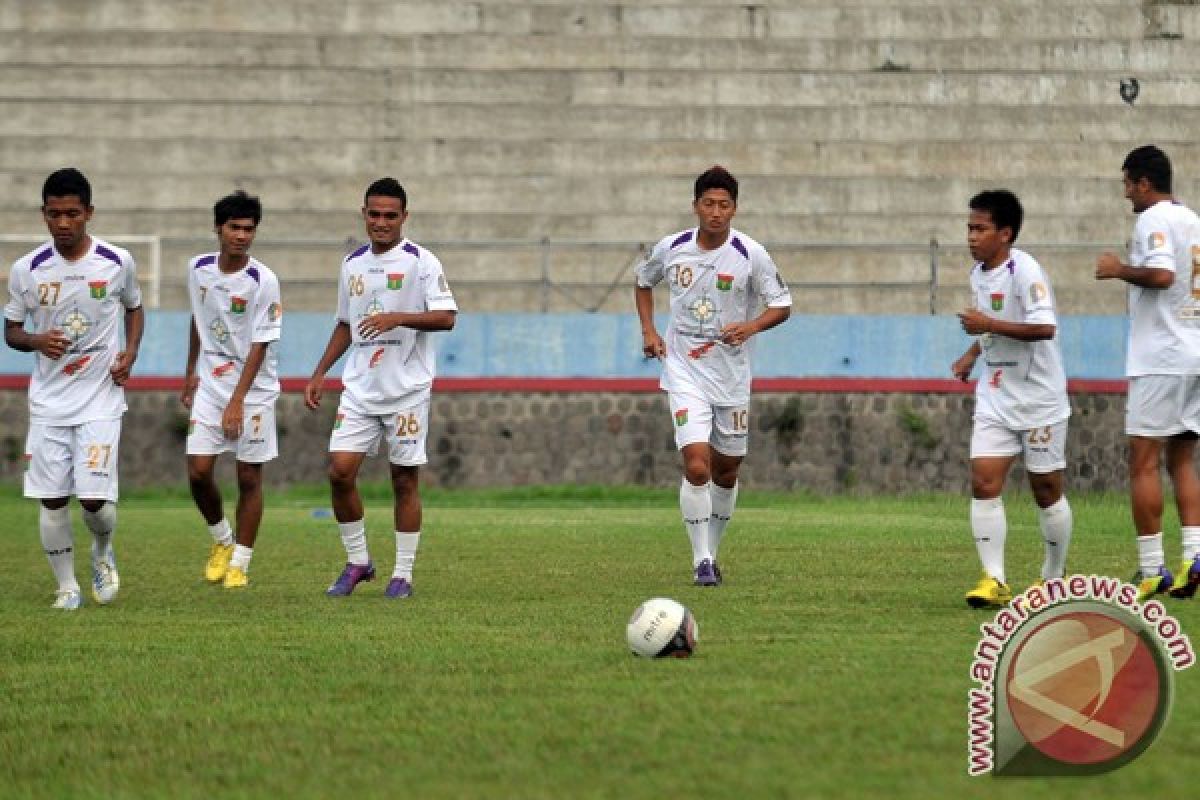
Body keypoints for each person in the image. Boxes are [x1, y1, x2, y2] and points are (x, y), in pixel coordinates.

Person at [635, 165, 792, 587]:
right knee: (697, 465)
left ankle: (714, 551)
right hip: (684, 369)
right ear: (696, 206)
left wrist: (751, 326)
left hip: (731, 378)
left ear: (735, 209)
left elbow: (782, 304)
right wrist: (650, 331)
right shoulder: (673, 248)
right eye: (709, 203)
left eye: (724, 205)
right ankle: (701, 560)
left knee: (726, 471)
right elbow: (643, 281)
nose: (716, 212)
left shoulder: (751, 255)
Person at [304, 177, 457, 599]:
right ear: (364, 214)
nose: (382, 222)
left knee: (404, 480)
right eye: (375, 214)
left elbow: (446, 317)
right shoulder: (352, 264)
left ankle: (402, 575)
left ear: (404, 217)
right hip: (360, 387)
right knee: (339, 471)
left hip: (407, 390)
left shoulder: (422, 262)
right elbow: (345, 323)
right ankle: (359, 562)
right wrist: (320, 372)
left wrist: (398, 318)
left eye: (391, 216)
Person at [3, 168, 144, 610]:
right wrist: (35, 340)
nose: (63, 223)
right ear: (44, 215)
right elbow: (10, 331)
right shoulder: (26, 269)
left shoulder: (117, 261)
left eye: (72, 214)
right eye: (54, 214)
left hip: (100, 397)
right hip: (49, 402)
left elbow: (134, 309)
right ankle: (66, 587)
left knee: (95, 500)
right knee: (51, 498)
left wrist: (131, 352)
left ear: (89, 213)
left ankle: (102, 552)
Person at [952, 190, 1073, 608]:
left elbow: (1044, 328)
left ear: (1005, 233)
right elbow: (991, 329)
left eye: (980, 228)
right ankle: (994, 579)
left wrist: (987, 322)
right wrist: (971, 355)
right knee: (984, 480)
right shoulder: (978, 273)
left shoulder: (1026, 271)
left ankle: (1054, 579)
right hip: (997, 392)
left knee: (1045, 489)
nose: (971, 236)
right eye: (969, 227)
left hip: (1039, 398)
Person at [1095, 144, 1200, 601]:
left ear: (1143, 182)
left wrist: (1119, 269)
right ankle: (1194, 555)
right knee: (1182, 460)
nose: (1125, 195)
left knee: (1142, 461)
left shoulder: (1153, 219)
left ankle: (1151, 567)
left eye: (1127, 184)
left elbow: (1161, 275)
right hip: (1194, 351)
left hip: (1162, 355)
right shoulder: (1193, 220)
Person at [180, 191, 282, 589]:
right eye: (234, 228)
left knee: (248, 478)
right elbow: (198, 318)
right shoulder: (198, 269)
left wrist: (238, 400)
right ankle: (222, 540)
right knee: (198, 471)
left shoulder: (263, 280)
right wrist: (190, 370)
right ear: (218, 228)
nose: (241, 236)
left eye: (248, 229)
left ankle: (240, 562)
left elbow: (261, 344)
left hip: (253, 390)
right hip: (210, 383)